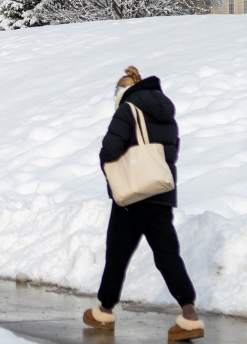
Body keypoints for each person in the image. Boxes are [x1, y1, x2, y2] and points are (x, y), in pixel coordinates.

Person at [84, 67, 203, 341]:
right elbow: (170, 151)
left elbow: (110, 150)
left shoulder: (127, 110)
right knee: (167, 255)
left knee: (117, 254)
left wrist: (110, 168)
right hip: (160, 193)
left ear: (124, 91)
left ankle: (104, 311)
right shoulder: (165, 112)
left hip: (132, 196)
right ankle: (189, 316)